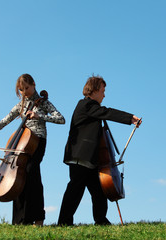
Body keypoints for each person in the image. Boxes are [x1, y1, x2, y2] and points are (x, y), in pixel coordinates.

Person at [0, 73, 65, 226]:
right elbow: (2, 122)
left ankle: (38, 217)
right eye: (21, 90)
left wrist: (39, 116)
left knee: (32, 173)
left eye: (26, 88)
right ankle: (20, 220)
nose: (25, 92)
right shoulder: (21, 106)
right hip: (20, 144)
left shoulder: (44, 103)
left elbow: (61, 119)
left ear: (34, 84)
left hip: (37, 142)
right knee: (17, 177)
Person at [57, 75, 142, 226]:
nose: (104, 94)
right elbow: (107, 112)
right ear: (94, 90)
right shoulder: (86, 105)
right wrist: (130, 118)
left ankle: (101, 220)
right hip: (80, 156)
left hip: (89, 159)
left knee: (98, 191)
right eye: (103, 90)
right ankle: (64, 222)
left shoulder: (91, 107)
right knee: (75, 189)